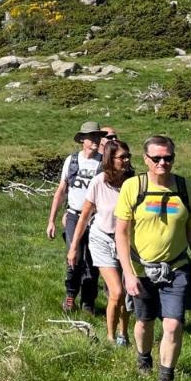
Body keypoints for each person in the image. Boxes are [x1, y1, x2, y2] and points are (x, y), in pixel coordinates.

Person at [114, 135, 191, 381]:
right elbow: (122, 233)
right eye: (156, 158)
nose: (162, 163)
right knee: (144, 321)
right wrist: (128, 273)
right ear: (145, 159)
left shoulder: (185, 187)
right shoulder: (133, 187)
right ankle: (144, 358)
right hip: (141, 268)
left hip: (177, 267)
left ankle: (166, 378)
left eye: (167, 158)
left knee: (173, 324)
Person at [68, 138, 134, 345]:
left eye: (127, 156)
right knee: (117, 291)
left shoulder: (134, 183)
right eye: (121, 157)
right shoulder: (99, 181)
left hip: (126, 242)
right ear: (109, 159)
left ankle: (124, 334)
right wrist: (73, 247)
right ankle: (110, 337)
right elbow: (85, 215)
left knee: (126, 292)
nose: (125, 160)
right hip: (102, 239)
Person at [47, 121, 104, 313]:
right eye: (92, 137)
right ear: (82, 140)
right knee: (74, 257)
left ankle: (88, 301)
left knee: (93, 260)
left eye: (98, 136)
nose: (96, 140)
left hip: (96, 219)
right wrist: (51, 221)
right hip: (73, 215)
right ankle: (71, 294)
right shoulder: (71, 160)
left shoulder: (104, 162)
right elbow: (61, 190)